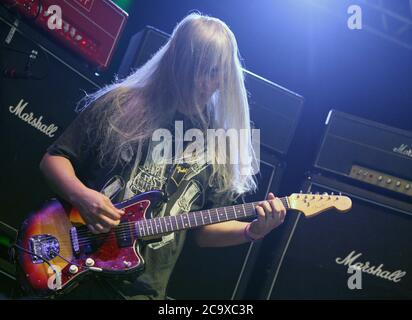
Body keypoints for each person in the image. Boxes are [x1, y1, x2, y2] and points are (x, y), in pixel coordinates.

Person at [39, 13, 286, 300]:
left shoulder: (218, 142)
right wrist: (83, 196)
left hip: (143, 290)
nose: (204, 82)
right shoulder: (120, 103)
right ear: (176, 60)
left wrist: (252, 231)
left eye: (215, 71)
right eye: (197, 69)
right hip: (76, 262)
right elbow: (54, 159)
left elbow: (204, 231)